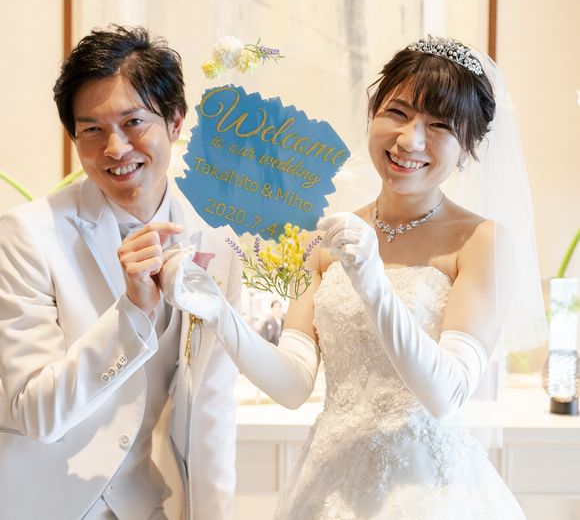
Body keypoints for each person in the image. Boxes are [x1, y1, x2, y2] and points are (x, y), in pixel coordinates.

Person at [161, 36, 546, 519]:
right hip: (329, 489)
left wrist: (372, 282)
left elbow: (446, 394)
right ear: (373, 113)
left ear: (468, 149)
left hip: (429, 494)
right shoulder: (327, 237)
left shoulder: (481, 241)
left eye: (440, 125)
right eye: (398, 113)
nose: (410, 140)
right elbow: (293, 385)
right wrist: (220, 313)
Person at [0, 26, 241, 520]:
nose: (114, 148)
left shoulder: (217, 243)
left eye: (133, 122)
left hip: (139, 503)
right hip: (33, 502)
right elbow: (36, 413)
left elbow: (211, 411)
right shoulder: (27, 234)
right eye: (91, 130)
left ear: (175, 121)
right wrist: (132, 311)